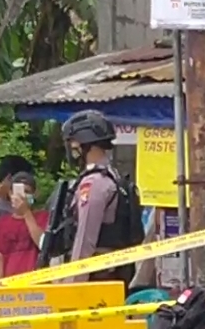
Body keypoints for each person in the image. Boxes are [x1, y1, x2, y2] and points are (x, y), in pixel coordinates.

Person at [59, 109, 151, 287]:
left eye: (74, 144)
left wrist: (72, 284)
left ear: (86, 144)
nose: (73, 150)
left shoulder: (93, 184)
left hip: (95, 280)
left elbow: (85, 239)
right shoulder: (113, 177)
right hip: (113, 275)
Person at [0, 170, 47, 279]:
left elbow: (43, 244)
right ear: (10, 194)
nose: (23, 196)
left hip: (36, 283)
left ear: (33, 195)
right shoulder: (2, 223)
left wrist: (26, 212)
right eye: (19, 192)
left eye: (27, 192)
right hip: (11, 285)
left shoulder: (43, 217)